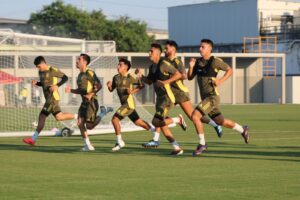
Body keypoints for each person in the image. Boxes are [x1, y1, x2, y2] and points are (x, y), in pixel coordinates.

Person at [142, 40, 223, 148]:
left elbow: (183, 76)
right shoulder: (163, 61)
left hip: (180, 92)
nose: (165, 50)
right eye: (164, 48)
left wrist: (169, 79)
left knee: (192, 116)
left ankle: (214, 124)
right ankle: (156, 139)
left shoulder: (177, 61)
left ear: (173, 49)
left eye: (167, 48)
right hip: (169, 93)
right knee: (160, 115)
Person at [188, 39, 250, 156]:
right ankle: (243, 129)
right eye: (200, 47)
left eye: (203, 47)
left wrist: (220, 81)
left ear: (209, 49)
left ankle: (202, 144)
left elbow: (230, 70)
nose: (200, 49)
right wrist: (191, 66)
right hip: (206, 98)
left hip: (212, 97)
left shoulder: (215, 61)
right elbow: (190, 77)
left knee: (195, 116)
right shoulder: (198, 63)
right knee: (220, 121)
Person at [136, 43, 184, 155]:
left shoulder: (164, 63)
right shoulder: (152, 67)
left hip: (167, 98)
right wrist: (140, 76)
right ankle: (176, 147)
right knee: (162, 124)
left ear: (158, 53)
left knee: (156, 122)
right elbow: (149, 82)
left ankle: (177, 120)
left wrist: (165, 82)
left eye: (151, 51)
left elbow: (178, 75)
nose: (149, 53)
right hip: (160, 99)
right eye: (149, 51)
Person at [23, 56, 77, 146]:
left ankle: (33, 139)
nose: (37, 68)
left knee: (42, 116)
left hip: (52, 98)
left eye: (38, 66)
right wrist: (37, 83)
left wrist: (57, 85)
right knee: (59, 117)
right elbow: (44, 83)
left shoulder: (52, 70)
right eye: (36, 67)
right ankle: (78, 117)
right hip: (49, 99)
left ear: (43, 63)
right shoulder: (40, 72)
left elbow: (65, 78)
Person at [107, 58, 156, 151]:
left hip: (129, 104)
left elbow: (142, 85)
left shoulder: (131, 77)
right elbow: (111, 89)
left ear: (126, 67)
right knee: (138, 123)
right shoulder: (115, 77)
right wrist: (109, 85)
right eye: (118, 64)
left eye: (120, 65)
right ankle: (155, 131)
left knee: (115, 119)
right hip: (124, 104)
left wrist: (132, 91)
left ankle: (119, 142)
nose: (118, 66)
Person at [65, 53, 112, 151]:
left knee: (89, 126)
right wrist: (71, 90)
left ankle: (103, 112)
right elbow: (81, 90)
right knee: (80, 123)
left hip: (92, 102)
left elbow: (99, 85)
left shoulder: (89, 72)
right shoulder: (79, 75)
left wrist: (91, 94)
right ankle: (88, 145)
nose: (77, 61)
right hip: (84, 103)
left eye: (79, 59)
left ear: (85, 62)